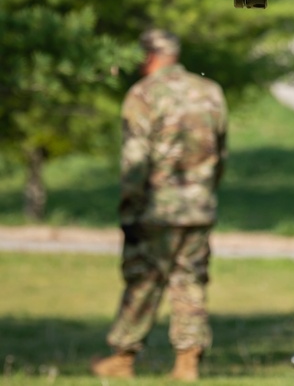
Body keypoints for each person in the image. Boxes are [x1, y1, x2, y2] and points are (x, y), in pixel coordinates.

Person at [91, 29, 228, 381]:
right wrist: (205, 191)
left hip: (155, 208)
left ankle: (123, 358)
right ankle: (188, 361)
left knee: (143, 280)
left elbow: (135, 161)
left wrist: (129, 207)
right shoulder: (210, 90)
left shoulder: (143, 94)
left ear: (147, 56)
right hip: (198, 207)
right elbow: (221, 151)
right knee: (190, 281)